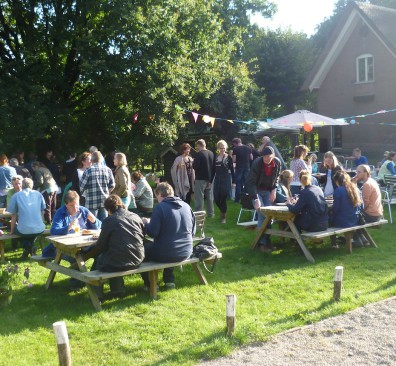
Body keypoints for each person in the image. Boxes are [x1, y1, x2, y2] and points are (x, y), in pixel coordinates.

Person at [83, 195, 145, 299]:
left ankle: (96, 295)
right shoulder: (135, 216)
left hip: (120, 261)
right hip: (137, 258)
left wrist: (87, 250)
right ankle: (117, 290)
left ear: (108, 209)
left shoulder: (109, 221)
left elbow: (100, 246)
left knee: (101, 259)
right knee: (115, 254)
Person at [141, 182, 195, 290]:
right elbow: (193, 232)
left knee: (141, 250)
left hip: (166, 253)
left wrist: (146, 223)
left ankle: (150, 284)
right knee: (170, 244)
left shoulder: (160, 207)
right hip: (187, 251)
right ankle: (169, 280)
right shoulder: (186, 206)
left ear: (160, 194)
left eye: (157, 196)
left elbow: (152, 233)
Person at [41, 190, 102, 258]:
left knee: (100, 254)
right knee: (76, 259)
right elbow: (54, 231)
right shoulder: (61, 213)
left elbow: (100, 226)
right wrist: (68, 227)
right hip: (66, 248)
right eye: (72, 205)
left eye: (77, 204)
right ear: (66, 205)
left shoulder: (83, 211)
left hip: (84, 244)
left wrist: (94, 221)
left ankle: (94, 268)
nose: (75, 208)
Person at [246, 146, 281, 253]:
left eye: (268, 156)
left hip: (267, 191)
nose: (266, 158)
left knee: (269, 216)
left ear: (273, 155)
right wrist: (255, 198)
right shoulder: (257, 163)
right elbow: (250, 182)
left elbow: (277, 177)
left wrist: (274, 190)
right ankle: (261, 244)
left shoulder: (277, 162)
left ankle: (267, 241)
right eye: (264, 156)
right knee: (262, 214)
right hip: (256, 190)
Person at [8, 178, 45, 259]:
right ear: (32, 185)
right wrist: (42, 224)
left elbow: (13, 216)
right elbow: (42, 212)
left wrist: (11, 231)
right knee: (30, 232)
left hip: (24, 229)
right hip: (40, 228)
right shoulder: (39, 194)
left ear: (22, 185)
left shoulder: (16, 196)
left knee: (16, 229)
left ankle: (28, 247)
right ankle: (29, 249)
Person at [80, 151, 115, 221]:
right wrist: (106, 192)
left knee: (92, 224)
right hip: (104, 201)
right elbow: (112, 185)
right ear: (101, 159)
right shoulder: (108, 170)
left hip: (91, 202)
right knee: (104, 222)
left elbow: (81, 187)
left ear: (92, 160)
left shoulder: (87, 171)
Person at [212, 140, 235, 224]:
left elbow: (232, 170)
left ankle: (223, 217)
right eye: (221, 148)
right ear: (218, 148)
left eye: (224, 148)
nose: (223, 150)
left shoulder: (228, 157)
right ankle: (223, 211)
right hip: (217, 179)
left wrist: (234, 182)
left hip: (226, 179)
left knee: (223, 198)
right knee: (216, 198)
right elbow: (213, 170)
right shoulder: (216, 157)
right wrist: (210, 181)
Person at [193, 139, 214, 217]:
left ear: (199, 145)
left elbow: (195, 166)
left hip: (200, 178)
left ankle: (199, 214)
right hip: (209, 178)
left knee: (199, 197)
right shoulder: (211, 153)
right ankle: (211, 213)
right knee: (209, 197)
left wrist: (193, 162)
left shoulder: (199, 154)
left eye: (197, 146)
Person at [232, 137, 252, 203]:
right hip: (247, 167)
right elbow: (251, 158)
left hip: (239, 167)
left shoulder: (235, 149)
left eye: (234, 144)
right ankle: (245, 199)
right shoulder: (248, 148)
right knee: (245, 183)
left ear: (235, 143)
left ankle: (237, 200)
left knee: (238, 183)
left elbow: (234, 160)